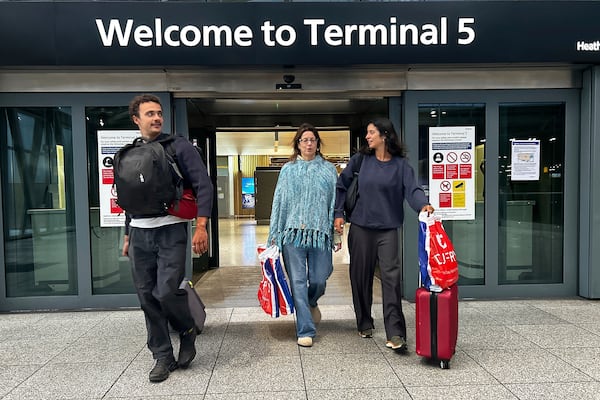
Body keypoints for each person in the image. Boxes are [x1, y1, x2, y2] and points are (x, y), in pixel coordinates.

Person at [121, 94, 213, 382]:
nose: (157, 118)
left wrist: (201, 225)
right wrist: (126, 234)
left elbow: (203, 184)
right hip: (139, 232)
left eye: (159, 113)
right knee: (147, 297)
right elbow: (131, 198)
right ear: (136, 119)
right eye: (149, 114)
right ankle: (162, 356)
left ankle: (186, 329)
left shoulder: (179, 146)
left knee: (165, 291)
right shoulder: (131, 153)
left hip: (171, 230)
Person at [334, 117, 433, 352]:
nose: (367, 137)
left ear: (384, 135)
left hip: (387, 230)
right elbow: (341, 185)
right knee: (360, 277)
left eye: (371, 133)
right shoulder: (361, 161)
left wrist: (423, 205)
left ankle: (396, 332)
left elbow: (413, 190)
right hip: (360, 227)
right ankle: (365, 322)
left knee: (390, 279)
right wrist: (339, 213)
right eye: (367, 133)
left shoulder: (401, 166)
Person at [267, 123, 341, 348]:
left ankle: (311, 302)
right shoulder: (287, 170)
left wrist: (335, 234)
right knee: (298, 282)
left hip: (320, 233)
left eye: (312, 140)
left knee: (320, 277)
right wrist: (274, 235)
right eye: (304, 140)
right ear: (297, 145)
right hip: (292, 235)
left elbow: (334, 204)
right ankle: (305, 330)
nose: (308, 143)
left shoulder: (329, 170)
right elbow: (279, 203)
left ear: (318, 144)